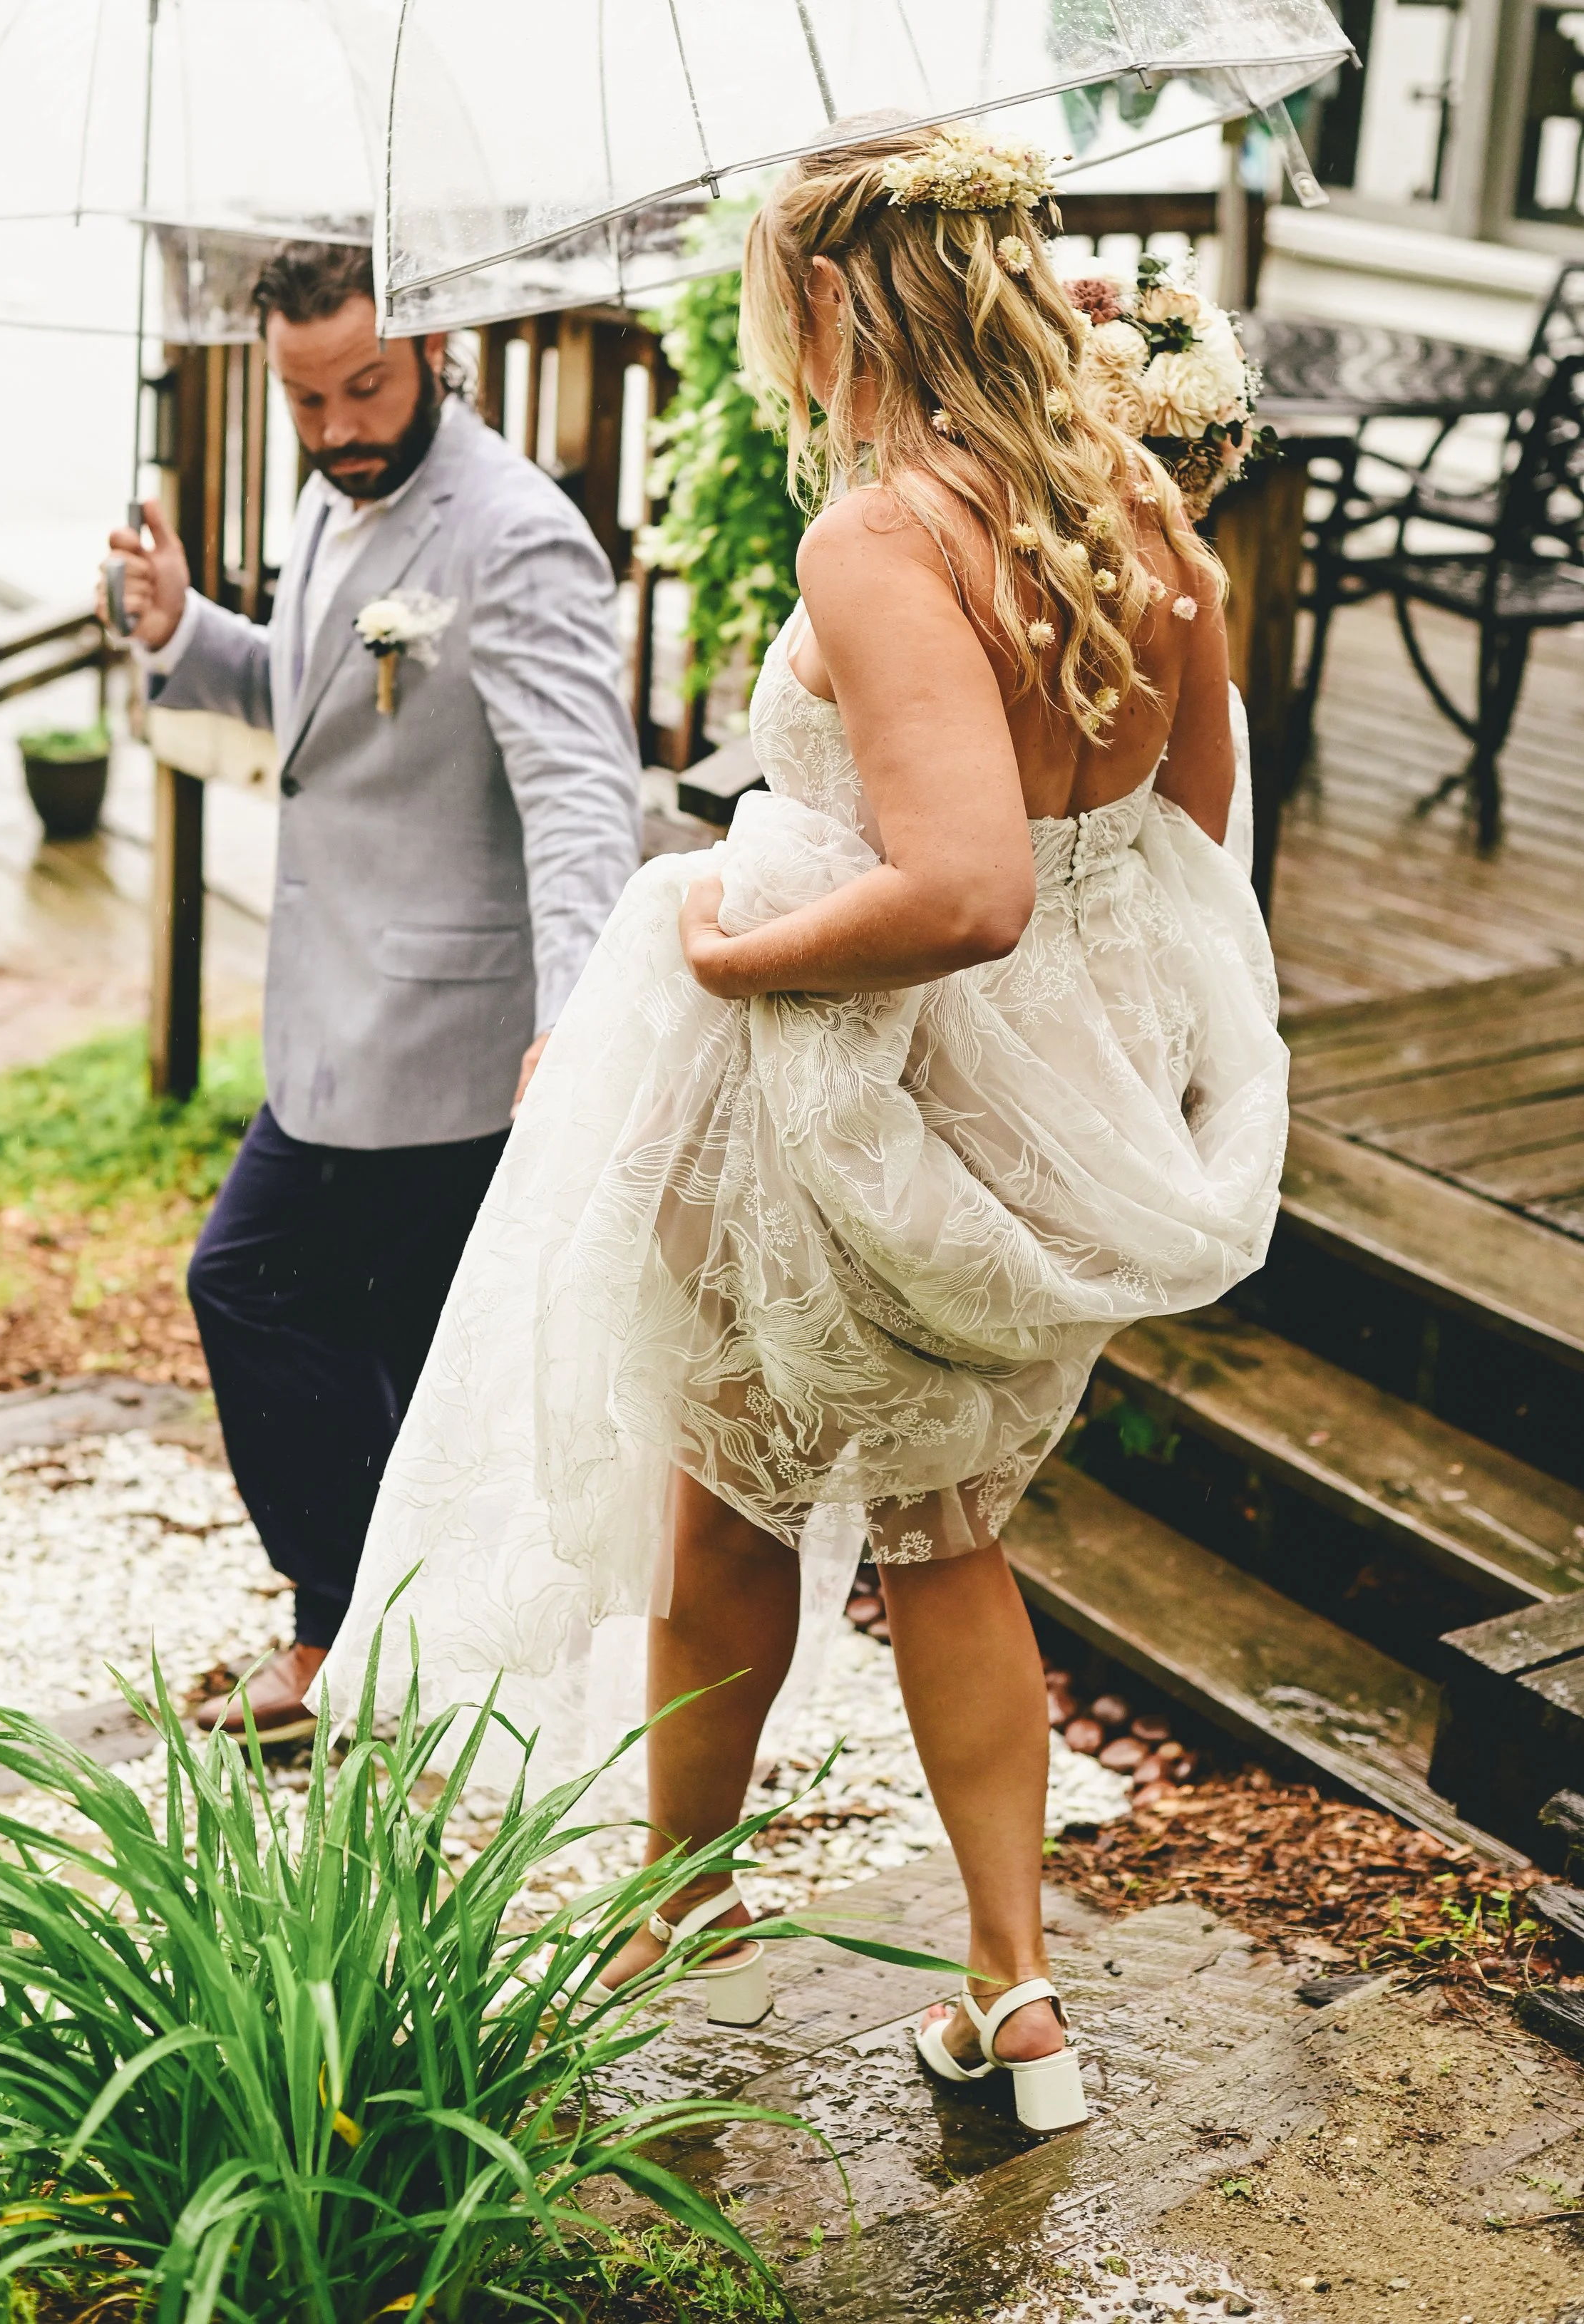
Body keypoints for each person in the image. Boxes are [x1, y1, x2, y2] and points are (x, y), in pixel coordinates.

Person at [319, 130, 1288, 2127]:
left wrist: (720, 946)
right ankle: (1014, 1999)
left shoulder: (885, 537)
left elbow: (961, 889)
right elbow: (1180, 830)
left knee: (721, 1504)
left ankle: (662, 1928)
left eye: (779, 301)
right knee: (941, 1530)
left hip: (860, 1088)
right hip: (1046, 1101)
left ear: (840, 299)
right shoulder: (1138, 509)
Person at [101, 240, 640, 1741]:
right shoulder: (329, 495)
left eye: (363, 386)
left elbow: (580, 793)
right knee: (407, 1345)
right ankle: (406, 1649)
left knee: (249, 1282)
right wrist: (182, 633)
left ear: (437, 343)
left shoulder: (513, 532)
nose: (337, 425)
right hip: (332, 1016)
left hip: (446, 1033)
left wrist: (574, 1019)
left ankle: (342, 1639)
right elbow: (320, 695)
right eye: (306, 396)